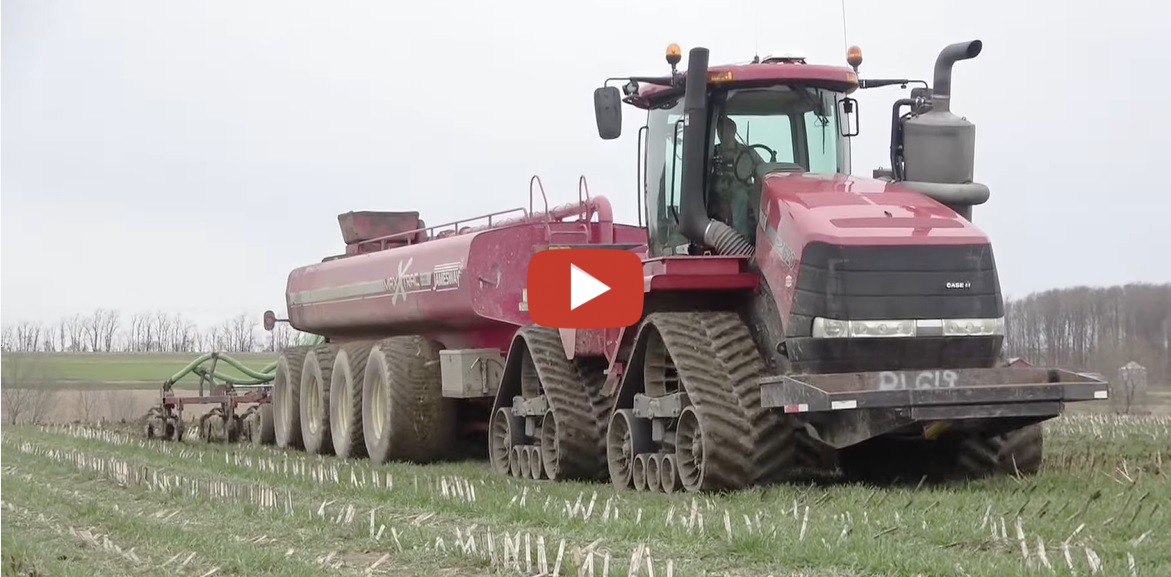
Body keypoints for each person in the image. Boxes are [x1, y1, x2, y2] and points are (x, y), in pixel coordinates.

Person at [710, 116, 764, 239]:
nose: (722, 134)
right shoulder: (713, 152)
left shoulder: (748, 152)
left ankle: (744, 237)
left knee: (745, 195)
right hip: (719, 193)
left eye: (725, 130)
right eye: (719, 130)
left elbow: (763, 169)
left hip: (743, 190)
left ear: (733, 131)